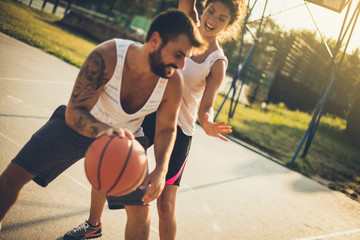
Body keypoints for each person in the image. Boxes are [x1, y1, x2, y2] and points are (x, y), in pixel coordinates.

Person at [0, 9, 206, 240]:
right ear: (155, 40)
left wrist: (161, 169)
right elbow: (75, 111)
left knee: (140, 214)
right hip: (82, 124)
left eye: (186, 56)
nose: (181, 64)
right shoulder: (108, 56)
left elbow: (166, 128)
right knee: (12, 178)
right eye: (179, 54)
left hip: (126, 140)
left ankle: (94, 226)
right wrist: (109, 133)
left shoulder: (172, 81)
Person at [63, 1, 246, 239]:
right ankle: (93, 225)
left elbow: (206, 106)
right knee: (108, 159)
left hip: (178, 131)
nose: (213, 19)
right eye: (211, 10)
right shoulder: (186, 23)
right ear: (204, 7)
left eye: (222, 18)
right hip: (148, 113)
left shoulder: (217, 62)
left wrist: (208, 122)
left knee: (165, 205)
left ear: (229, 25)